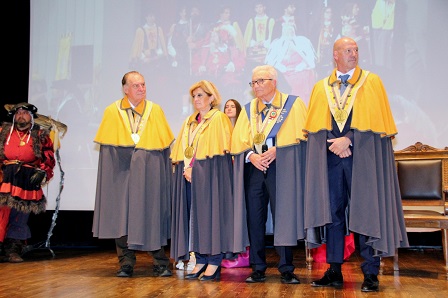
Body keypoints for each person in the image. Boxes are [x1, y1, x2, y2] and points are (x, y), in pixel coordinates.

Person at [303, 37, 409, 292]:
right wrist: (334, 143)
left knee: (366, 211)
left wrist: (348, 140)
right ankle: (334, 270)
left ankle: (371, 273)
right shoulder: (321, 87)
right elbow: (316, 126)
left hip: (362, 157)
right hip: (330, 158)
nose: (354, 54)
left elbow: (375, 123)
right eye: (348, 50)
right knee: (333, 215)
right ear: (335, 55)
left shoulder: (371, 82)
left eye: (356, 50)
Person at [92, 71, 174, 278]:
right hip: (121, 169)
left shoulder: (155, 110)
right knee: (122, 215)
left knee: (151, 212)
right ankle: (126, 263)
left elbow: (164, 147)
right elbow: (108, 150)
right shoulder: (112, 111)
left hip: (149, 170)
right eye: (136, 85)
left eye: (143, 84)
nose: (141, 88)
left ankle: (161, 262)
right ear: (125, 89)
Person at [231, 65, 307, 284]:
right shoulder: (247, 110)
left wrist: (279, 150)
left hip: (281, 167)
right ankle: (257, 267)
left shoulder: (293, 104)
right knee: (255, 218)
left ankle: (286, 267)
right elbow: (238, 142)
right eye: (253, 82)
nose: (256, 86)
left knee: (284, 216)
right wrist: (251, 156)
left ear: (274, 82)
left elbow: (302, 137)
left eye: (261, 81)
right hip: (254, 169)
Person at [170, 80, 246, 281]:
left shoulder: (218, 118)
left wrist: (197, 170)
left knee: (211, 216)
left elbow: (219, 153)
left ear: (212, 98)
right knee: (194, 217)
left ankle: (214, 261)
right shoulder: (189, 121)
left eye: (201, 95)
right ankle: (200, 259)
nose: (196, 100)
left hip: (210, 177)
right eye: (194, 96)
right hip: (188, 176)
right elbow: (185, 149)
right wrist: (187, 169)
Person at [0, 103, 55, 263]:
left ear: (31, 117)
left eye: (25, 113)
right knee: (2, 211)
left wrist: (43, 172)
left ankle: (13, 249)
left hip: (27, 180)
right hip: (5, 176)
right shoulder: (3, 132)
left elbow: (48, 158)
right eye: (18, 113)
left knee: (20, 215)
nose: (21, 115)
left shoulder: (40, 135)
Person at [221, 98, 249, 269]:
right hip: (224, 175)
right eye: (226, 106)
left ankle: (243, 252)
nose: (229, 108)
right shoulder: (219, 128)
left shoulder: (243, 128)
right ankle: (227, 251)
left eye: (232, 106)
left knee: (241, 212)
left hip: (240, 174)